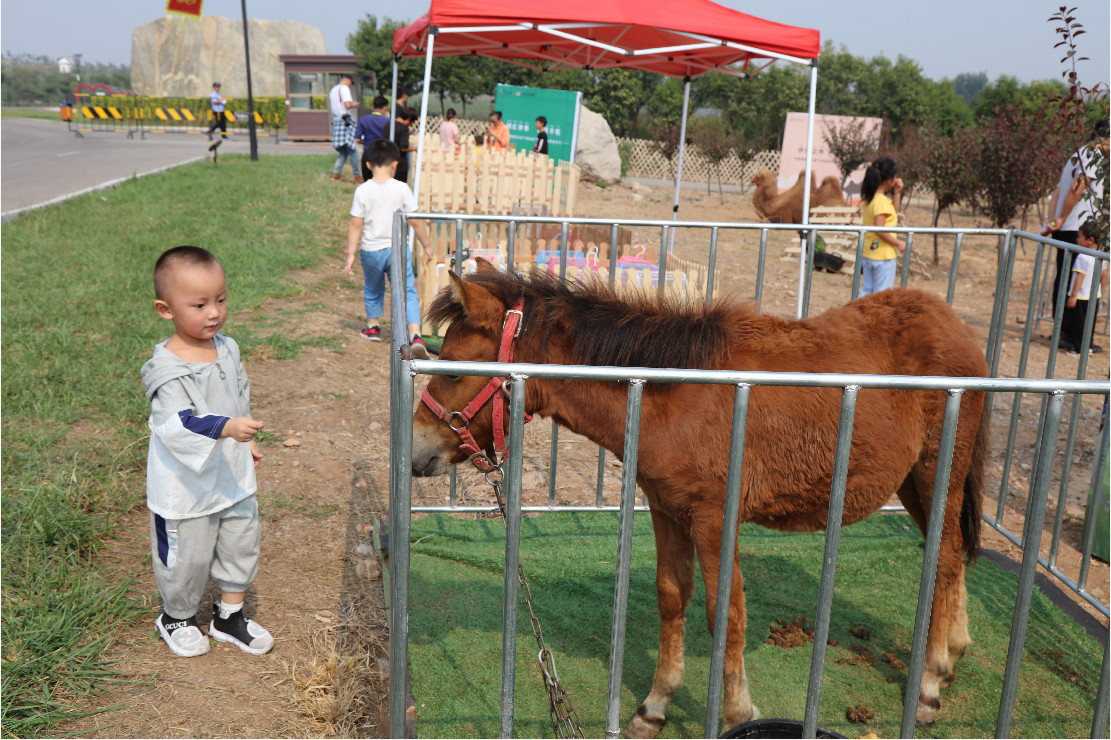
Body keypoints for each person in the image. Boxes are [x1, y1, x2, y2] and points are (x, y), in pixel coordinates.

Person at [142, 245, 274, 658]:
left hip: (230, 475)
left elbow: (238, 393)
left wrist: (245, 436)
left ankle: (228, 616)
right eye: (199, 304)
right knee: (187, 557)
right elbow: (174, 423)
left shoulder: (227, 347)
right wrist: (228, 428)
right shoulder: (167, 369)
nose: (214, 312)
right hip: (185, 487)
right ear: (166, 309)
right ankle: (177, 616)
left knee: (240, 541)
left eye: (220, 299)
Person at [343, 139, 434, 357]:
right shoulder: (402, 189)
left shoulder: (362, 191)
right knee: (407, 292)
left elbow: (356, 224)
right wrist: (427, 246)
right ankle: (415, 334)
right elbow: (415, 221)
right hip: (398, 250)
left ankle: (374, 326)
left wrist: (350, 255)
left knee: (373, 289)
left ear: (368, 164)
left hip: (371, 250)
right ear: (395, 164)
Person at [1042, 119, 1110, 320]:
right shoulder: (1093, 155)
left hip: (1067, 228)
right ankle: (1070, 335)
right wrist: (1062, 218)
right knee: (1075, 281)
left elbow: (1057, 192)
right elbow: (1076, 188)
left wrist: (1053, 222)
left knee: (1064, 278)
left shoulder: (1077, 155)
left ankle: (1062, 331)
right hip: (1078, 230)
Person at [858, 157, 905, 297]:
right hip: (883, 256)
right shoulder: (881, 202)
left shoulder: (870, 199)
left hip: (869, 253)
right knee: (881, 295)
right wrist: (898, 243)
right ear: (889, 179)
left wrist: (897, 192)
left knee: (867, 291)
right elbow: (880, 229)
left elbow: (892, 213)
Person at [1061, 219, 1108, 354]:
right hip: (1094, 296)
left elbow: (1079, 278)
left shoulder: (1082, 257)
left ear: (1090, 239)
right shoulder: (1101, 256)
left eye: (1079, 237)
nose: (1076, 240)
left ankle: (1077, 349)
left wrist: (1073, 296)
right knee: (1089, 324)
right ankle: (1087, 346)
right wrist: (1101, 291)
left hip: (1081, 297)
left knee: (1078, 324)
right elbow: (1104, 275)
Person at [329, 74, 360, 182]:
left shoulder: (333, 90)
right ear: (347, 81)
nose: (350, 86)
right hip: (345, 121)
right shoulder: (344, 88)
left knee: (343, 151)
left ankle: (336, 173)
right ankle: (357, 175)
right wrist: (355, 104)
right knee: (352, 149)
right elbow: (348, 105)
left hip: (337, 120)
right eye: (351, 83)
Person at [392, 106, 418, 184]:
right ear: (409, 119)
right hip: (400, 163)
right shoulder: (403, 128)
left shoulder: (389, 124)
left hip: (388, 160)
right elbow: (403, 148)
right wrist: (415, 148)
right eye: (411, 123)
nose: (410, 125)